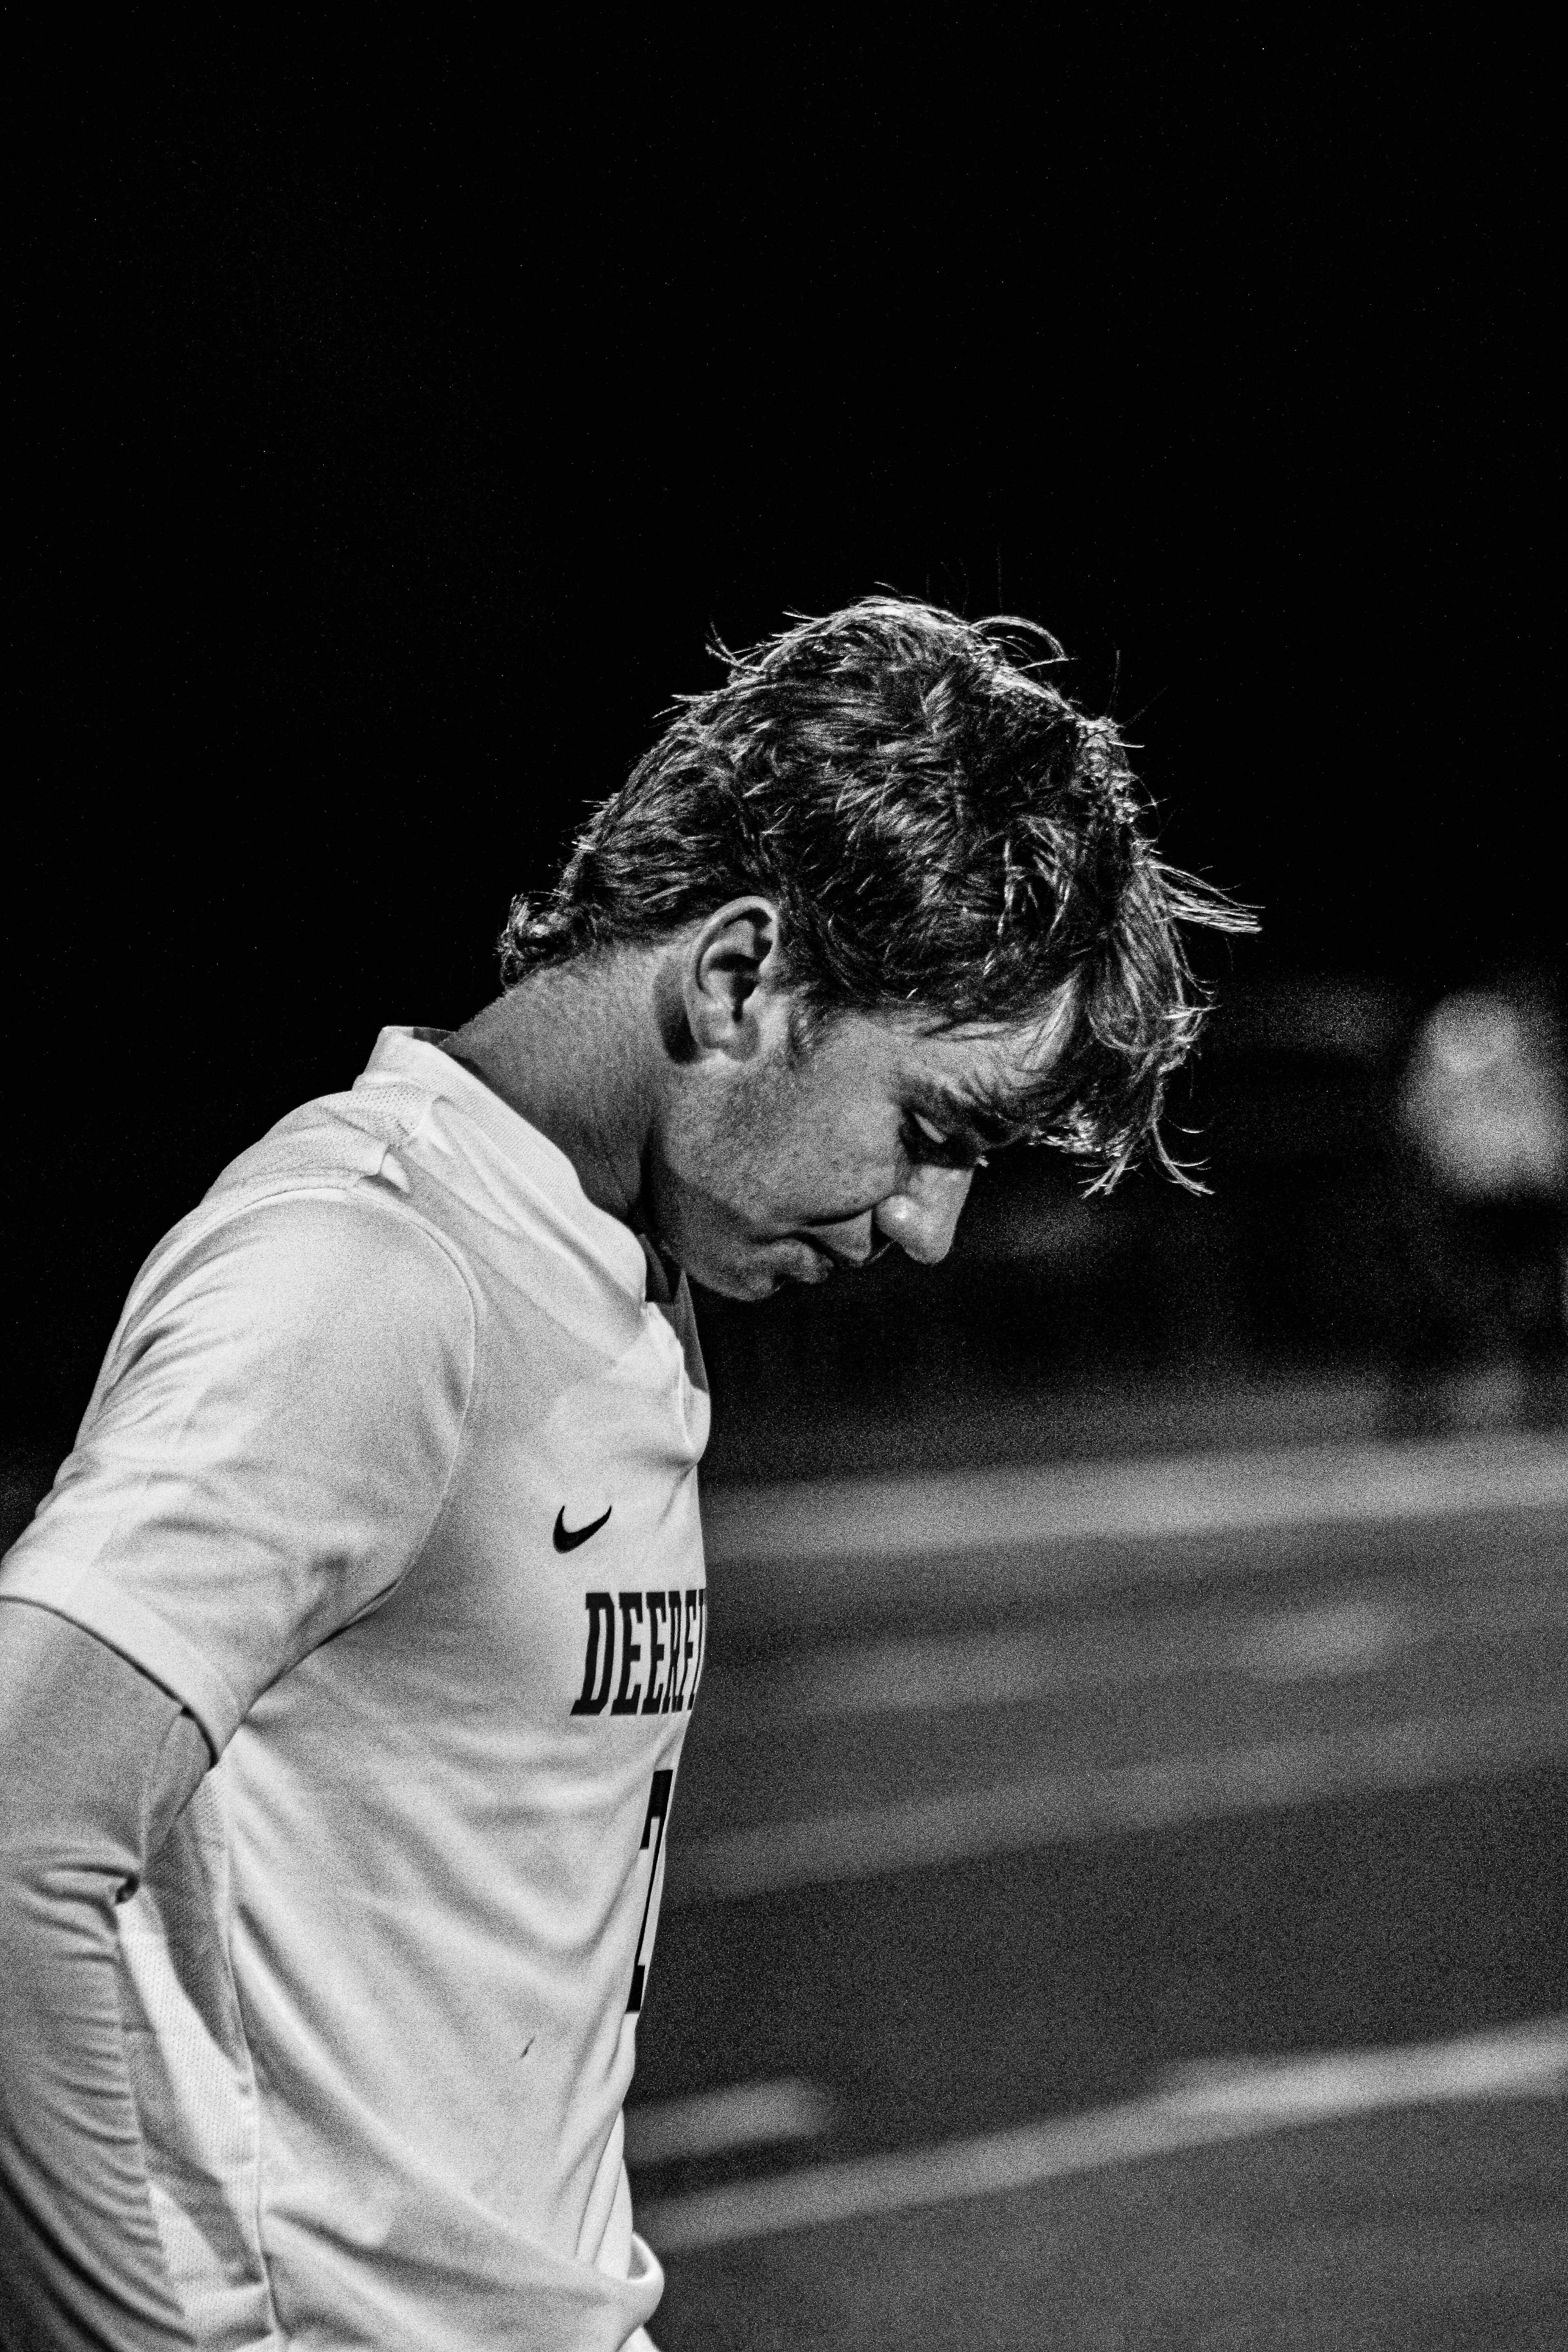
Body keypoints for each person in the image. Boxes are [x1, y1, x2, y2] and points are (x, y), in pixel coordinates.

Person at [0, 595, 1252, 2350]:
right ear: (739, 979)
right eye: (929, 1127)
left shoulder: (608, 1268)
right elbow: (16, 1830)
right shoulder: (367, 1279)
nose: (925, 1223)